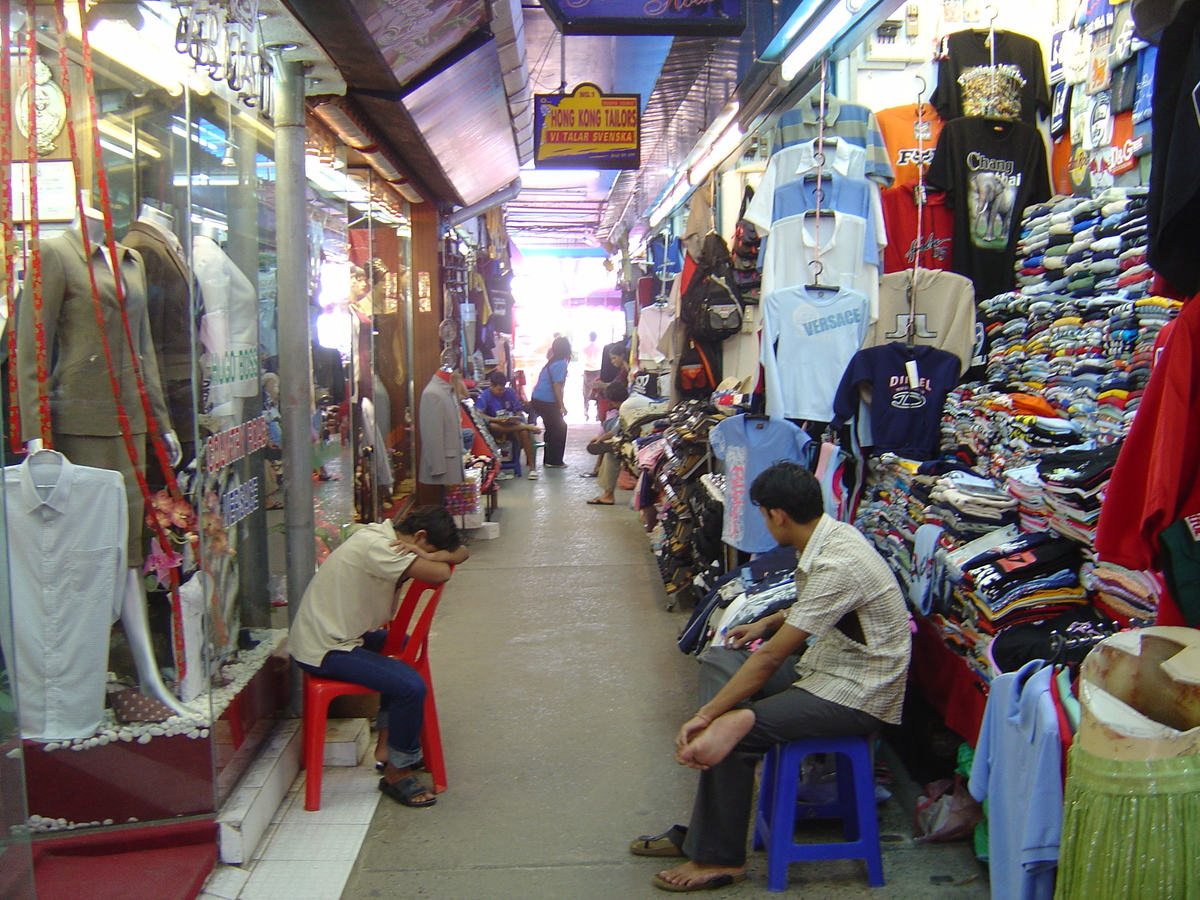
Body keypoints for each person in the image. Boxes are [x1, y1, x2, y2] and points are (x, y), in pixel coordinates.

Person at [633, 463, 911, 891]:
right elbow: (814, 602)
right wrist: (767, 623)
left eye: (763, 514)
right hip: (826, 668)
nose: (765, 522)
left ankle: (718, 857)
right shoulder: (830, 536)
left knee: (733, 726)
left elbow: (767, 662)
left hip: (858, 693)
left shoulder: (838, 560)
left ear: (778, 514)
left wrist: (707, 713)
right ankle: (712, 820)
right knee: (722, 659)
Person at [289, 505, 470, 808]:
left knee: (404, 654)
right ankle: (397, 774)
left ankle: (388, 750)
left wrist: (429, 552)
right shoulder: (382, 547)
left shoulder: (381, 534)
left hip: (344, 635)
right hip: (325, 648)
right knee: (410, 685)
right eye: (427, 548)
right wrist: (431, 559)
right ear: (420, 535)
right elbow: (441, 574)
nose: (423, 555)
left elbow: (461, 553)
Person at [476, 370, 542, 480]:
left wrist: (515, 417)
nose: (501, 392)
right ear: (492, 385)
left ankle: (532, 469)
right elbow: (479, 414)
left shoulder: (509, 392)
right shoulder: (485, 396)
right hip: (498, 427)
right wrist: (496, 420)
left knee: (524, 433)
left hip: (511, 424)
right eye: (499, 389)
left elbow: (518, 410)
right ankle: (527, 426)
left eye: (503, 389)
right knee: (493, 426)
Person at [528, 336, 571, 468]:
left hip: (537, 398)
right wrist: (562, 406)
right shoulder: (560, 363)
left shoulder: (552, 362)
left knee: (552, 428)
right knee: (559, 428)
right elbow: (557, 386)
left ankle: (550, 459)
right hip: (547, 400)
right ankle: (553, 460)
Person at [584, 382, 630, 504]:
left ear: (613, 401)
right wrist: (603, 438)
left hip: (640, 441)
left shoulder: (626, 407)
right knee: (612, 446)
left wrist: (604, 438)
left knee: (612, 453)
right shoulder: (633, 400)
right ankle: (607, 493)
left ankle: (608, 495)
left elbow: (619, 428)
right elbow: (619, 427)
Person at [581, 332, 603, 420]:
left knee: (586, 392)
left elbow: (581, 360)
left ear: (589, 337)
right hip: (597, 370)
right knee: (597, 391)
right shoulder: (599, 348)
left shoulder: (585, 348)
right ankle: (598, 413)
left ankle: (586, 410)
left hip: (587, 370)